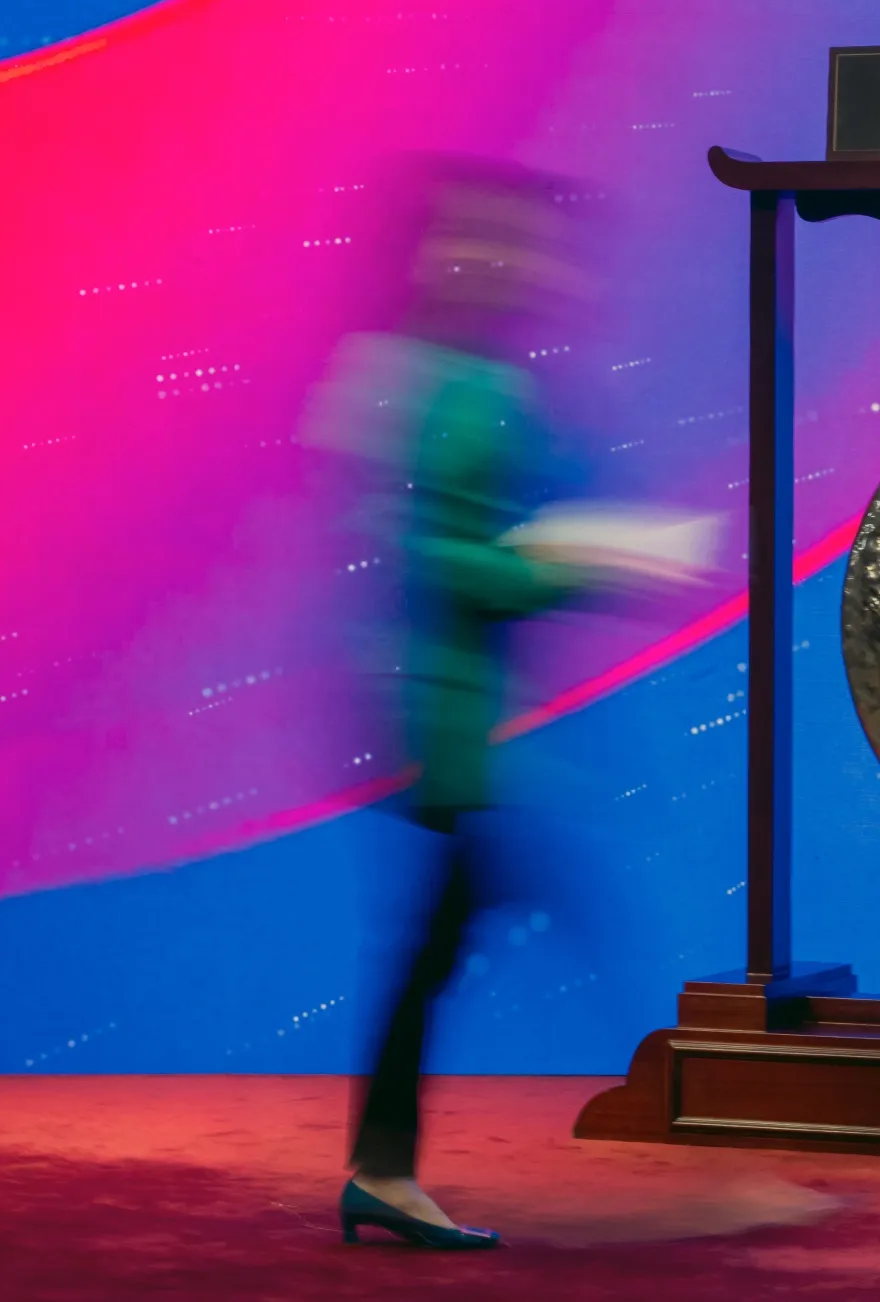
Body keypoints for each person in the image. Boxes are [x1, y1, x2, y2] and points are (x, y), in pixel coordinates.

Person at [303, 155, 591, 1249]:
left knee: (439, 933)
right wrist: (575, 564)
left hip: (447, 715)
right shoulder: (421, 380)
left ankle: (382, 1169)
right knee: (458, 928)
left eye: (519, 241)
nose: (505, 260)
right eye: (479, 238)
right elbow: (437, 556)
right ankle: (382, 1170)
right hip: (431, 714)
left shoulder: (457, 377)